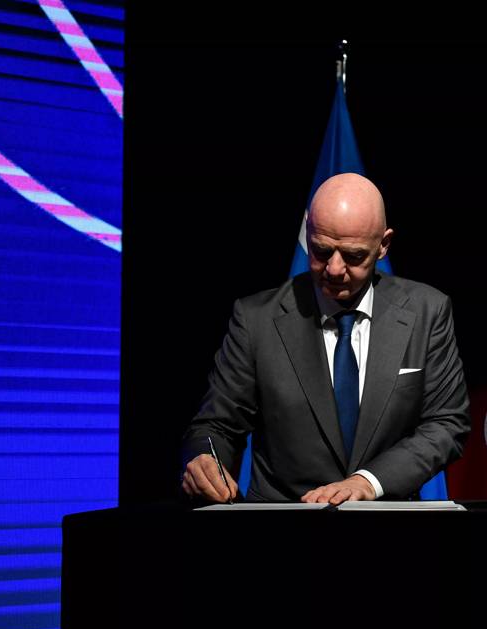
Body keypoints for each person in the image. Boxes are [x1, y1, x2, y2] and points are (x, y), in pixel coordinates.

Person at [181, 173, 470, 504]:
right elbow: (216, 426)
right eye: (320, 250)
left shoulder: (428, 312)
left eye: (353, 256)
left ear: (383, 245)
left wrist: (367, 482)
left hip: (390, 523)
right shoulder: (255, 320)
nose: (333, 269)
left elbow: (447, 424)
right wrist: (205, 458)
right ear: (307, 230)